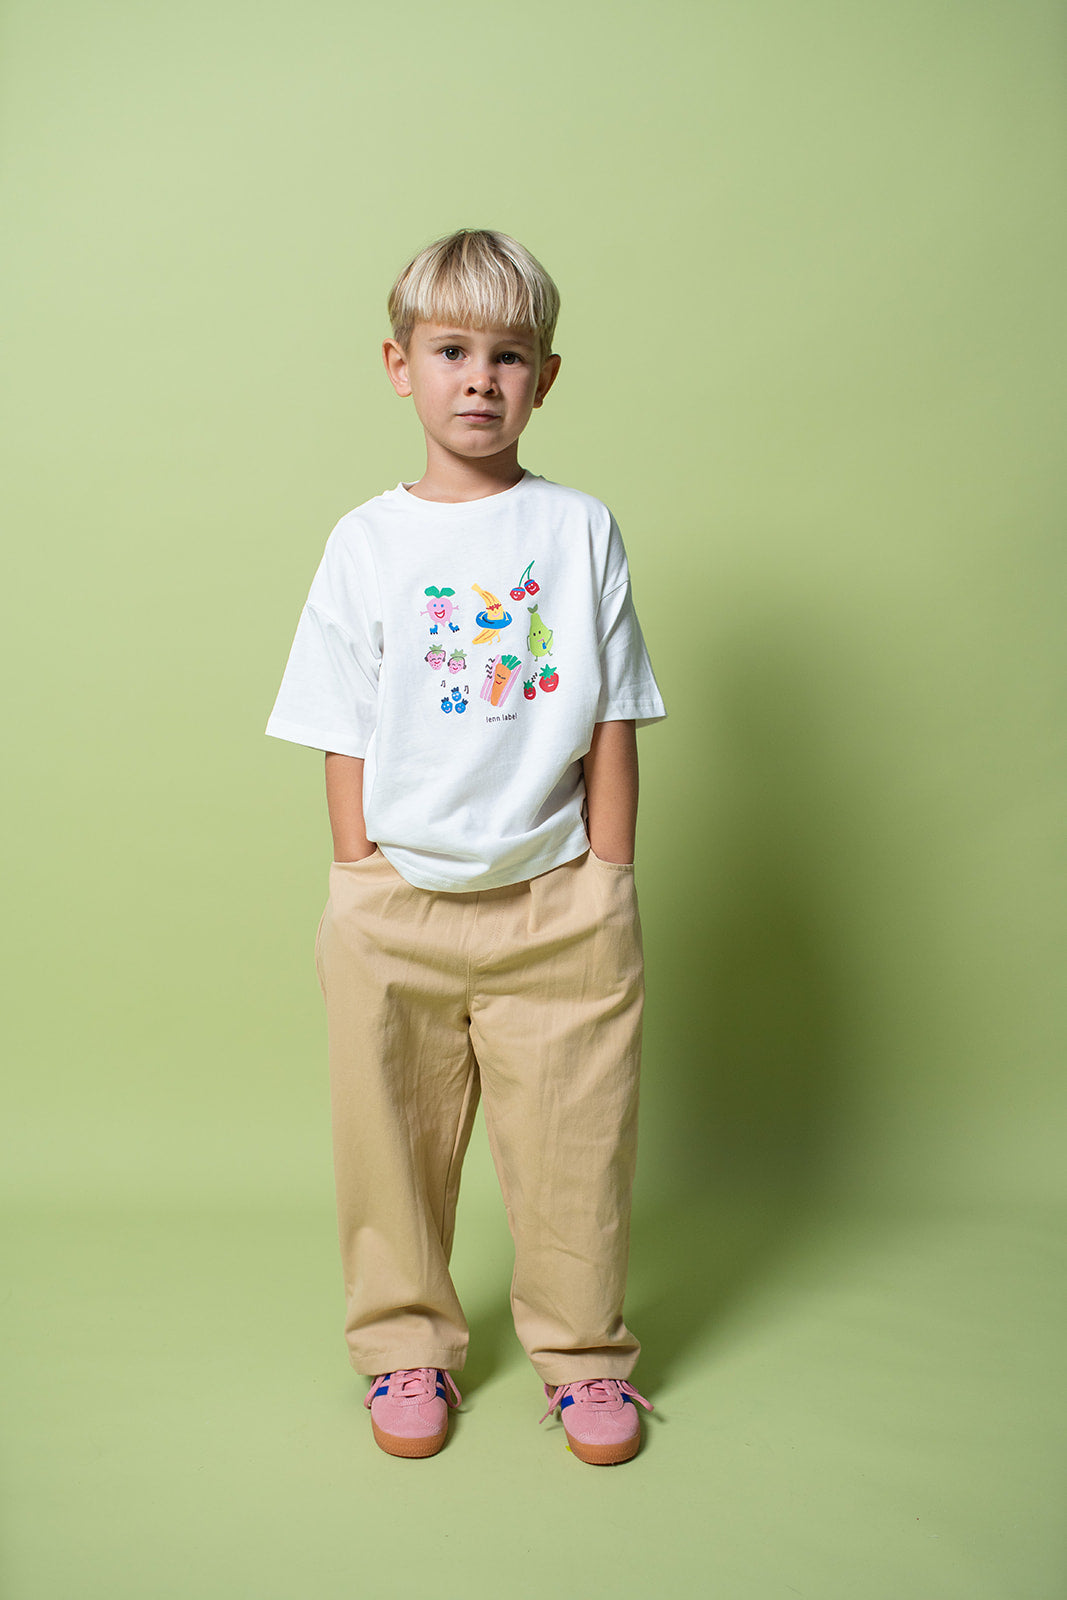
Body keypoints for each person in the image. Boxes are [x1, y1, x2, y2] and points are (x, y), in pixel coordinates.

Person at [266, 228, 666, 1465]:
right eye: (451, 351)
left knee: (575, 1144)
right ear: (401, 367)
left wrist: (607, 874)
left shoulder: (578, 527)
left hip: (555, 899)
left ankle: (584, 1356)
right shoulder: (365, 542)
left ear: (546, 378)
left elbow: (610, 708)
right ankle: (402, 1348)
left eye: (508, 354)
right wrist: (357, 872)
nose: (479, 377)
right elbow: (338, 720)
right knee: (384, 1138)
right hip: (395, 904)